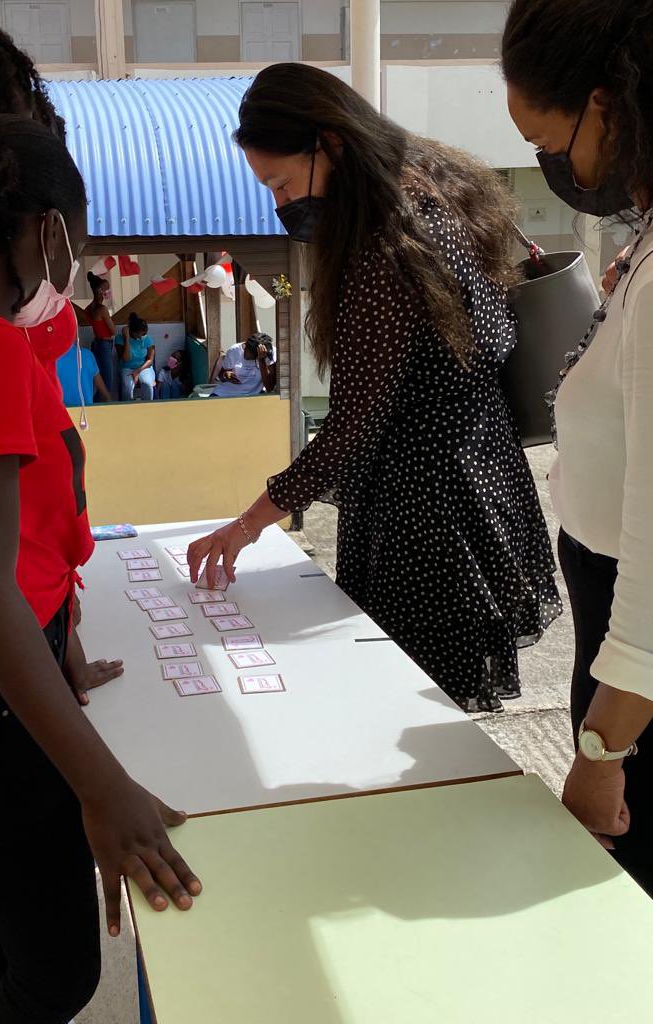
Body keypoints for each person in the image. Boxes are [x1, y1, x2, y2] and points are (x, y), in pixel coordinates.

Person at [0, 79, 200, 1023]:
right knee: (56, 975)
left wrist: (57, 637)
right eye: (79, 238)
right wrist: (104, 787)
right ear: (46, 231)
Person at [188, 63, 561, 714]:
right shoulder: (433, 180)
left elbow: (354, 424)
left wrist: (247, 526)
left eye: (280, 181)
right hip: (475, 483)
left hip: (427, 530)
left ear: (329, 143)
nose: (280, 205)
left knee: (416, 721)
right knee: (442, 726)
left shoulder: (383, 246)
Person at [503, 0, 653, 895]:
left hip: (635, 683)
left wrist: (602, 750)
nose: (549, 166)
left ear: (608, 106)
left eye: (545, 140)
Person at [212, 333, 276, 398]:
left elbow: (269, 387)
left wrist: (262, 361)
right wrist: (225, 374)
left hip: (253, 395)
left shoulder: (268, 353)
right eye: (245, 349)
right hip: (227, 393)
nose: (245, 356)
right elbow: (221, 376)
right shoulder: (234, 350)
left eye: (250, 357)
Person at [86, 271, 116, 398]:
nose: (107, 292)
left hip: (96, 343)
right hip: (104, 344)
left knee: (98, 379)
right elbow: (113, 330)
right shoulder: (102, 309)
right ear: (99, 290)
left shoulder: (89, 308)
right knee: (107, 381)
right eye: (105, 289)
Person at [57, 342, 111, 406]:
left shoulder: (52, 360)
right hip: (87, 413)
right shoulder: (88, 356)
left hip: (64, 413)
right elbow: (105, 395)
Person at [119, 313, 156, 401]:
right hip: (127, 367)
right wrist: (127, 339)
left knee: (147, 385)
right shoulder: (120, 339)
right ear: (132, 332)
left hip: (144, 367)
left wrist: (137, 371)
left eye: (143, 334)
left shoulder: (147, 339)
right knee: (127, 389)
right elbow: (126, 358)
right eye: (139, 334)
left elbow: (150, 360)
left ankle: (148, 409)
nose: (141, 337)